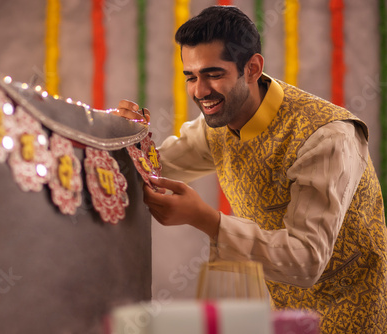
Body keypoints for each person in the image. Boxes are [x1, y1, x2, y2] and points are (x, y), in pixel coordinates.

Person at [117, 5, 387, 334]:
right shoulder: (216, 125)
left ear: (252, 68)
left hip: (354, 318)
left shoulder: (327, 137)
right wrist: (122, 137)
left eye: (214, 74)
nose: (200, 91)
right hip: (277, 318)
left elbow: (306, 259)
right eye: (191, 76)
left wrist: (206, 220)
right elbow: (152, 168)